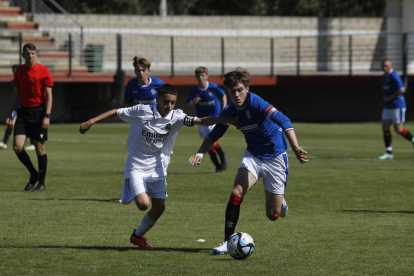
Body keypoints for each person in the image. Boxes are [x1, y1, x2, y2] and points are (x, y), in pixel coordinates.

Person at [79, 84, 238, 250]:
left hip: (157, 167)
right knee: (143, 204)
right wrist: (91, 121)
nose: (169, 106)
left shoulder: (177, 116)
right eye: (166, 102)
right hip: (136, 165)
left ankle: (137, 236)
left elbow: (200, 121)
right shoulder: (142, 110)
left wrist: (224, 119)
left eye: (173, 102)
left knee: (160, 207)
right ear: (158, 99)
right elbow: (116, 111)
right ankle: (133, 187)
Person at [188, 68, 308, 255]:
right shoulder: (230, 110)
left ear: (247, 88)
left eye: (239, 90)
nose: (236, 95)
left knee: (273, 215)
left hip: (276, 158)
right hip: (253, 156)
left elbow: (283, 120)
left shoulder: (257, 103)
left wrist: (295, 146)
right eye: (232, 91)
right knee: (236, 192)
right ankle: (227, 242)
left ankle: (280, 200)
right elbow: (214, 135)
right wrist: (200, 153)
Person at [6, 43, 53, 192]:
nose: (30, 56)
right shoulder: (19, 71)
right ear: (23, 56)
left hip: (38, 113)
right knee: (17, 147)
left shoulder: (44, 70)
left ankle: (42, 183)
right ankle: (33, 174)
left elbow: (49, 96)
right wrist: (10, 112)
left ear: (36, 54)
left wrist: (47, 116)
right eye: (27, 53)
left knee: (40, 148)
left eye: (33, 53)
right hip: (22, 112)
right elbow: (16, 94)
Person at [186, 66, 228, 173]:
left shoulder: (213, 87)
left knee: (210, 142)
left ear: (207, 76)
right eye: (198, 76)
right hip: (202, 121)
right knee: (208, 146)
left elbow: (223, 95)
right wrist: (192, 103)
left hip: (214, 119)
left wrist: (224, 109)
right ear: (196, 77)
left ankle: (222, 156)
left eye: (202, 75)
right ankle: (218, 166)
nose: (200, 78)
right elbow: (187, 105)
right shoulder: (194, 91)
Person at [378, 58, 414, 160]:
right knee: (385, 127)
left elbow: (402, 90)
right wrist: (384, 100)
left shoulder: (394, 76)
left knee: (398, 130)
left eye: (386, 66)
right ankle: (388, 152)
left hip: (397, 105)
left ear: (391, 66)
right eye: (383, 66)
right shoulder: (383, 77)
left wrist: (389, 98)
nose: (384, 68)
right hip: (388, 106)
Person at [1, 65, 35, 151]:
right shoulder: (13, 82)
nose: (16, 73)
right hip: (16, 107)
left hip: (24, 106)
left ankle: (32, 143)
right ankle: (4, 143)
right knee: (11, 123)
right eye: (14, 71)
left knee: (27, 125)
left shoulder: (25, 81)